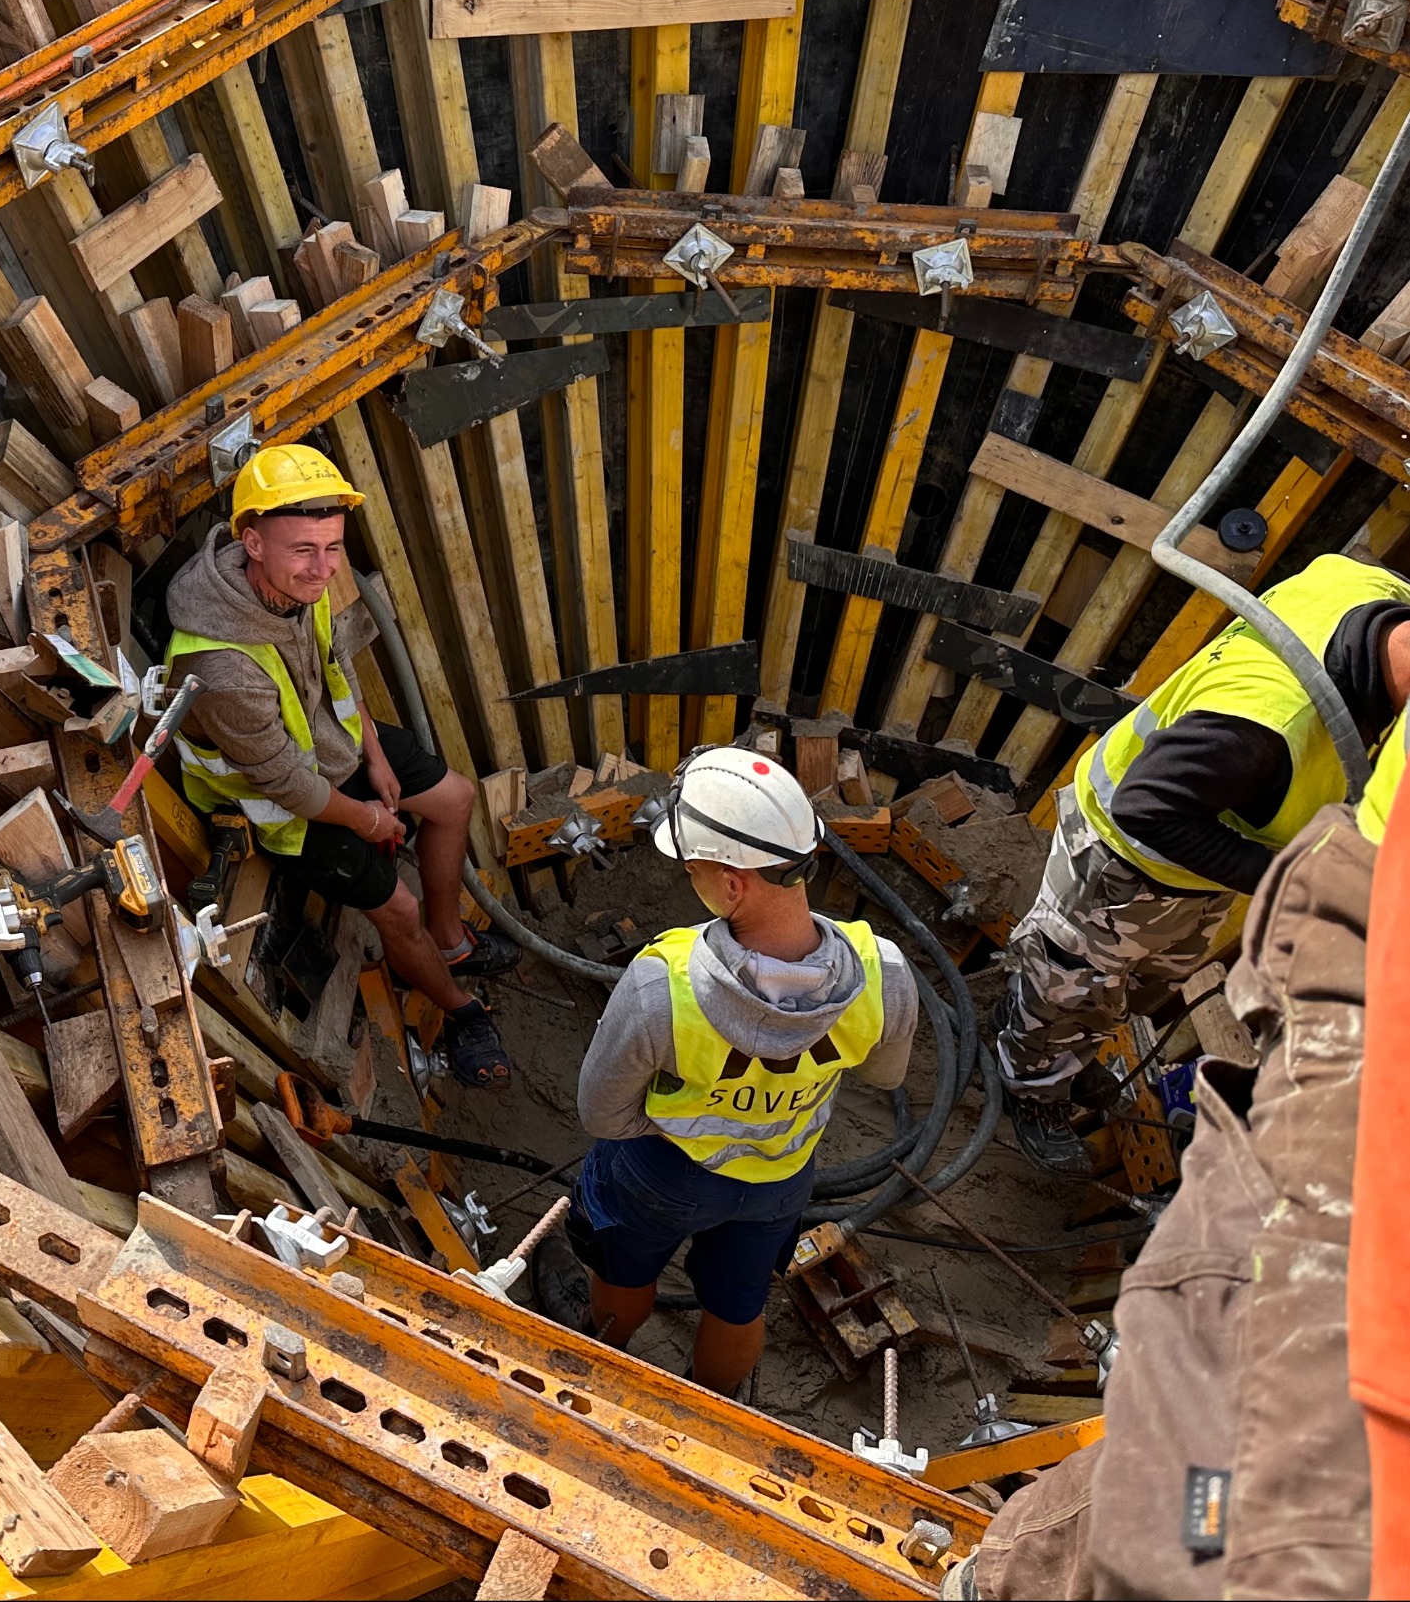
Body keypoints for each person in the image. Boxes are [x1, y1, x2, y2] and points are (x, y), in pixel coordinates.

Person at [945, 711, 1404, 1602]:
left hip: (1301, 965)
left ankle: (992, 1583)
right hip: (1150, 878)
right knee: (1207, 1457)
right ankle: (1031, 1080)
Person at [996, 551, 1410, 1173]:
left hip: (1198, 862)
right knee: (1070, 982)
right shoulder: (1266, 724)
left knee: (1133, 987)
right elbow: (1145, 806)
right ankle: (1030, 1083)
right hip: (1122, 863)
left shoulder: (1370, 586)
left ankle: (1069, 1053)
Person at [557, 747, 917, 1396]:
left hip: (664, 1173)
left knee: (625, 1271)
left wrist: (684, 1122)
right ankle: (712, 1409)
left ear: (731, 885)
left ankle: (598, 1364)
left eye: (693, 869)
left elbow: (601, 1114)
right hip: (779, 1175)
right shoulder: (883, 971)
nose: (689, 879)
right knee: (737, 1303)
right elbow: (887, 1078)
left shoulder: (661, 984)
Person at [162, 443, 514, 1089]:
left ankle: (449, 938)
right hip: (286, 809)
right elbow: (285, 784)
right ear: (252, 543)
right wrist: (368, 820)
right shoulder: (220, 666)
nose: (322, 569)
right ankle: (462, 1012)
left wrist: (374, 756)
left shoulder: (300, 587)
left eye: (332, 547)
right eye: (303, 549)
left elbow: (336, 672)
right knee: (395, 911)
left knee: (454, 798)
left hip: (336, 750)